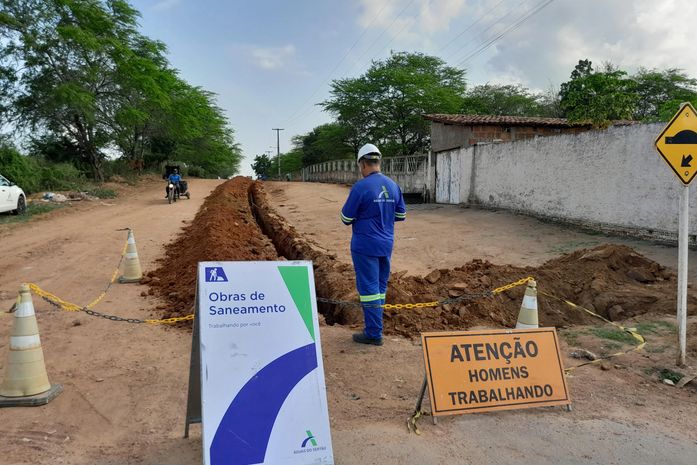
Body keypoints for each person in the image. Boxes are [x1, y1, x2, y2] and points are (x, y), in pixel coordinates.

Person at [340, 143, 406, 346]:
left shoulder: (360, 187)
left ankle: (374, 333)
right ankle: (375, 326)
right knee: (379, 287)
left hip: (365, 245)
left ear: (362, 164)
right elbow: (401, 214)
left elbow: (345, 217)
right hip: (386, 244)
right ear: (378, 161)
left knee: (368, 289)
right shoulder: (393, 185)